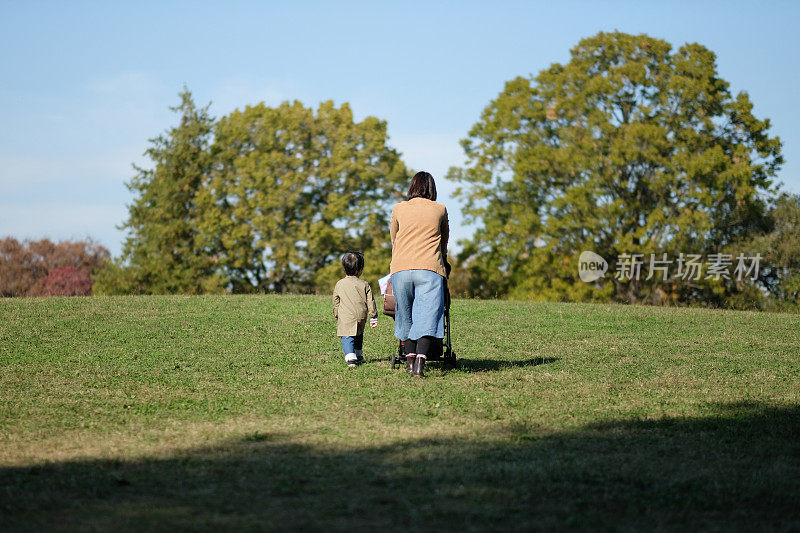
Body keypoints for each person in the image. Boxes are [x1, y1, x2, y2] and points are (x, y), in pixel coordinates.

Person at [389, 171, 449, 377]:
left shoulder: (399, 208)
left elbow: (394, 239)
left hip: (401, 268)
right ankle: (419, 367)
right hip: (429, 268)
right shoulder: (440, 209)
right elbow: (443, 243)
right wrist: (445, 263)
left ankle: (408, 360)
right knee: (427, 317)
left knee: (406, 315)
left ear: (412, 187)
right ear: (432, 189)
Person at [333, 251, 378, 367]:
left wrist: (336, 312)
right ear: (360, 270)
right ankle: (359, 354)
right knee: (358, 334)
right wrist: (373, 316)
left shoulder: (340, 284)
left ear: (344, 268)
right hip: (361, 316)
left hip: (346, 316)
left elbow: (336, 300)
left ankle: (351, 357)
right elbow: (370, 301)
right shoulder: (364, 284)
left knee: (347, 336)